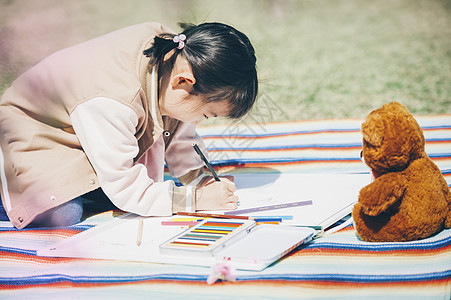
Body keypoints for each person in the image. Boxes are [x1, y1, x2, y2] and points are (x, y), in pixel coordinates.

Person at [0, 22, 258, 229]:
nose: (199, 122)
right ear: (183, 82)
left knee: (132, 185)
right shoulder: (114, 100)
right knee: (61, 212)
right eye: (207, 114)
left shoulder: (175, 55)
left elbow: (180, 131)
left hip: (77, 125)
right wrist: (195, 201)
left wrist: (200, 180)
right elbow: (124, 187)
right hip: (31, 125)